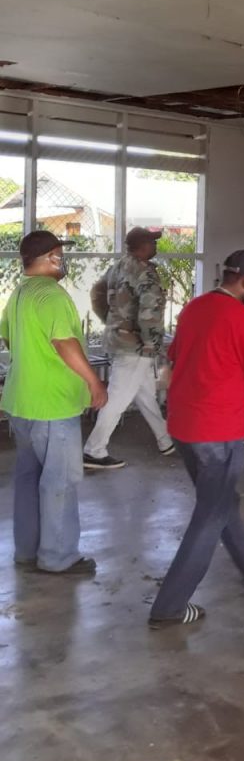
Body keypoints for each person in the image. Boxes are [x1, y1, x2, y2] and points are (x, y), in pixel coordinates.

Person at [149, 249, 244, 628]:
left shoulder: (193, 308)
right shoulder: (243, 318)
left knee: (221, 500)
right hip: (217, 431)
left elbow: (173, 362)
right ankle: (169, 606)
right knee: (210, 515)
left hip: (183, 426)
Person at [0, 231, 108, 575]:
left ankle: (26, 551)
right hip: (52, 405)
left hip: (21, 401)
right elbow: (64, 343)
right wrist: (93, 381)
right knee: (59, 481)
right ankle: (58, 556)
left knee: (28, 478)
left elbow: (8, 337)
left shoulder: (19, 293)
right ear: (50, 257)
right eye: (61, 254)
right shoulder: (52, 295)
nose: (63, 261)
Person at [83, 226, 173, 470]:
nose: (155, 246)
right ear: (143, 246)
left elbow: (97, 292)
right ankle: (94, 450)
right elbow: (150, 312)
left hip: (119, 340)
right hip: (136, 346)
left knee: (144, 394)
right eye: (152, 242)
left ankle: (165, 439)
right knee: (117, 398)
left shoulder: (119, 266)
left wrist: (112, 321)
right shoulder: (145, 273)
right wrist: (151, 344)